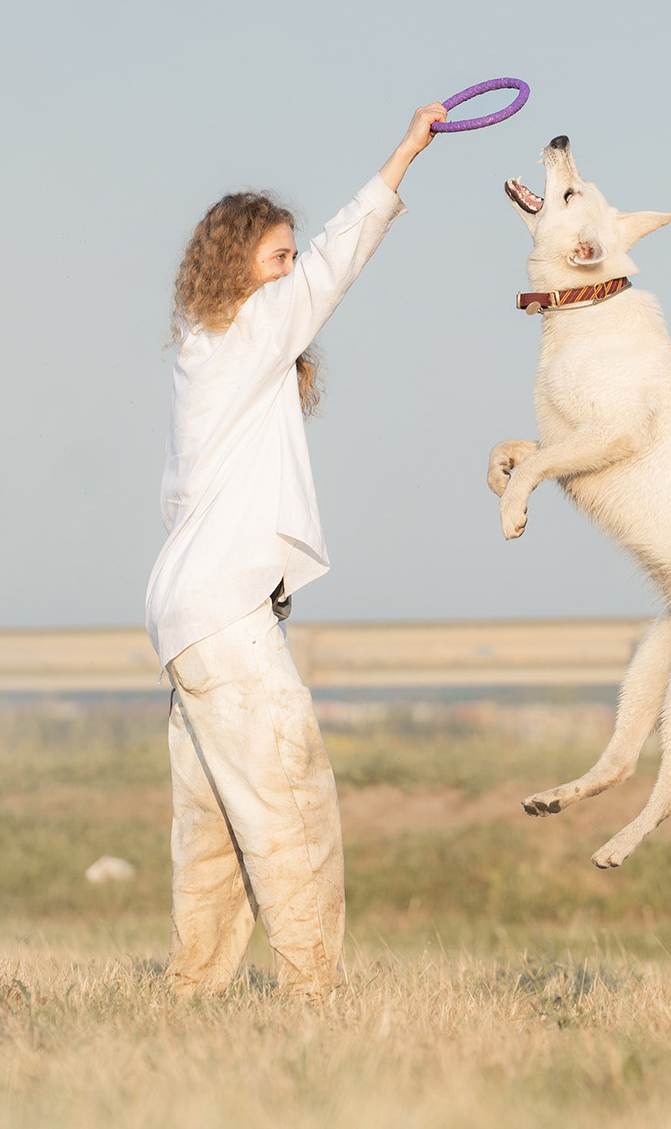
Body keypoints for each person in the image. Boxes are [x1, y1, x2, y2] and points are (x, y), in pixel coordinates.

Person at [146, 102, 445, 999]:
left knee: (213, 821)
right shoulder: (252, 328)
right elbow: (336, 265)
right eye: (276, 256)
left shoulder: (208, 351)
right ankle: (315, 993)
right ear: (240, 265)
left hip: (186, 612)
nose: (289, 272)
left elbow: (177, 495)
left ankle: (194, 992)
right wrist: (403, 157)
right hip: (224, 615)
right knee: (290, 796)